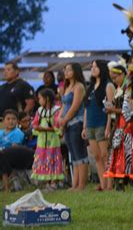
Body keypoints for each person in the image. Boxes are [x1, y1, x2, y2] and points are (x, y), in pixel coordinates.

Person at [104, 61, 133, 189]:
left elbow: (127, 111)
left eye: (116, 77)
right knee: (120, 150)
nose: (114, 80)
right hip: (120, 124)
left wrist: (112, 110)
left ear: (122, 75)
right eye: (112, 78)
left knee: (130, 150)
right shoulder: (119, 89)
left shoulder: (129, 88)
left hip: (128, 124)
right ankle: (121, 177)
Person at [83, 60, 114, 191]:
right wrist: (84, 127)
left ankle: (110, 184)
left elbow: (110, 108)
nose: (93, 68)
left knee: (105, 155)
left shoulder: (108, 86)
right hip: (90, 125)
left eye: (96, 66)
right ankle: (103, 183)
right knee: (96, 156)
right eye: (92, 66)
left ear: (102, 68)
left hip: (101, 124)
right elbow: (86, 108)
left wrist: (108, 126)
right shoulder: (90, 86)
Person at [58, 63, 88, 191]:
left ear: (75, 71)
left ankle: (81, 184)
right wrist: (59, 118)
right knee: (73, 154)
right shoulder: (67, 86)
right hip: (67, 124)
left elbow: (75, 106)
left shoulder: (79, 86)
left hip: (76, 122)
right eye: (65, 69)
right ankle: (75, 184)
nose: (66, 72)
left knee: (80, 153)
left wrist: (64, 119)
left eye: (69, 69)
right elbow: (64, 105)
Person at [31, 89, 64, 190]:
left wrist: (43, 128)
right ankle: (46, 181)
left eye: (40, 98)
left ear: (47, 99)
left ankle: (54, 181)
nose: (38, 100)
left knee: (52, 159)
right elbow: (35, 123)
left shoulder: (57, 110)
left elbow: (57, 126)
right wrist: (36, 127)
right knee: (43, 159)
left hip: (53, 141)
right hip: (41, 142)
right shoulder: (39, 111)